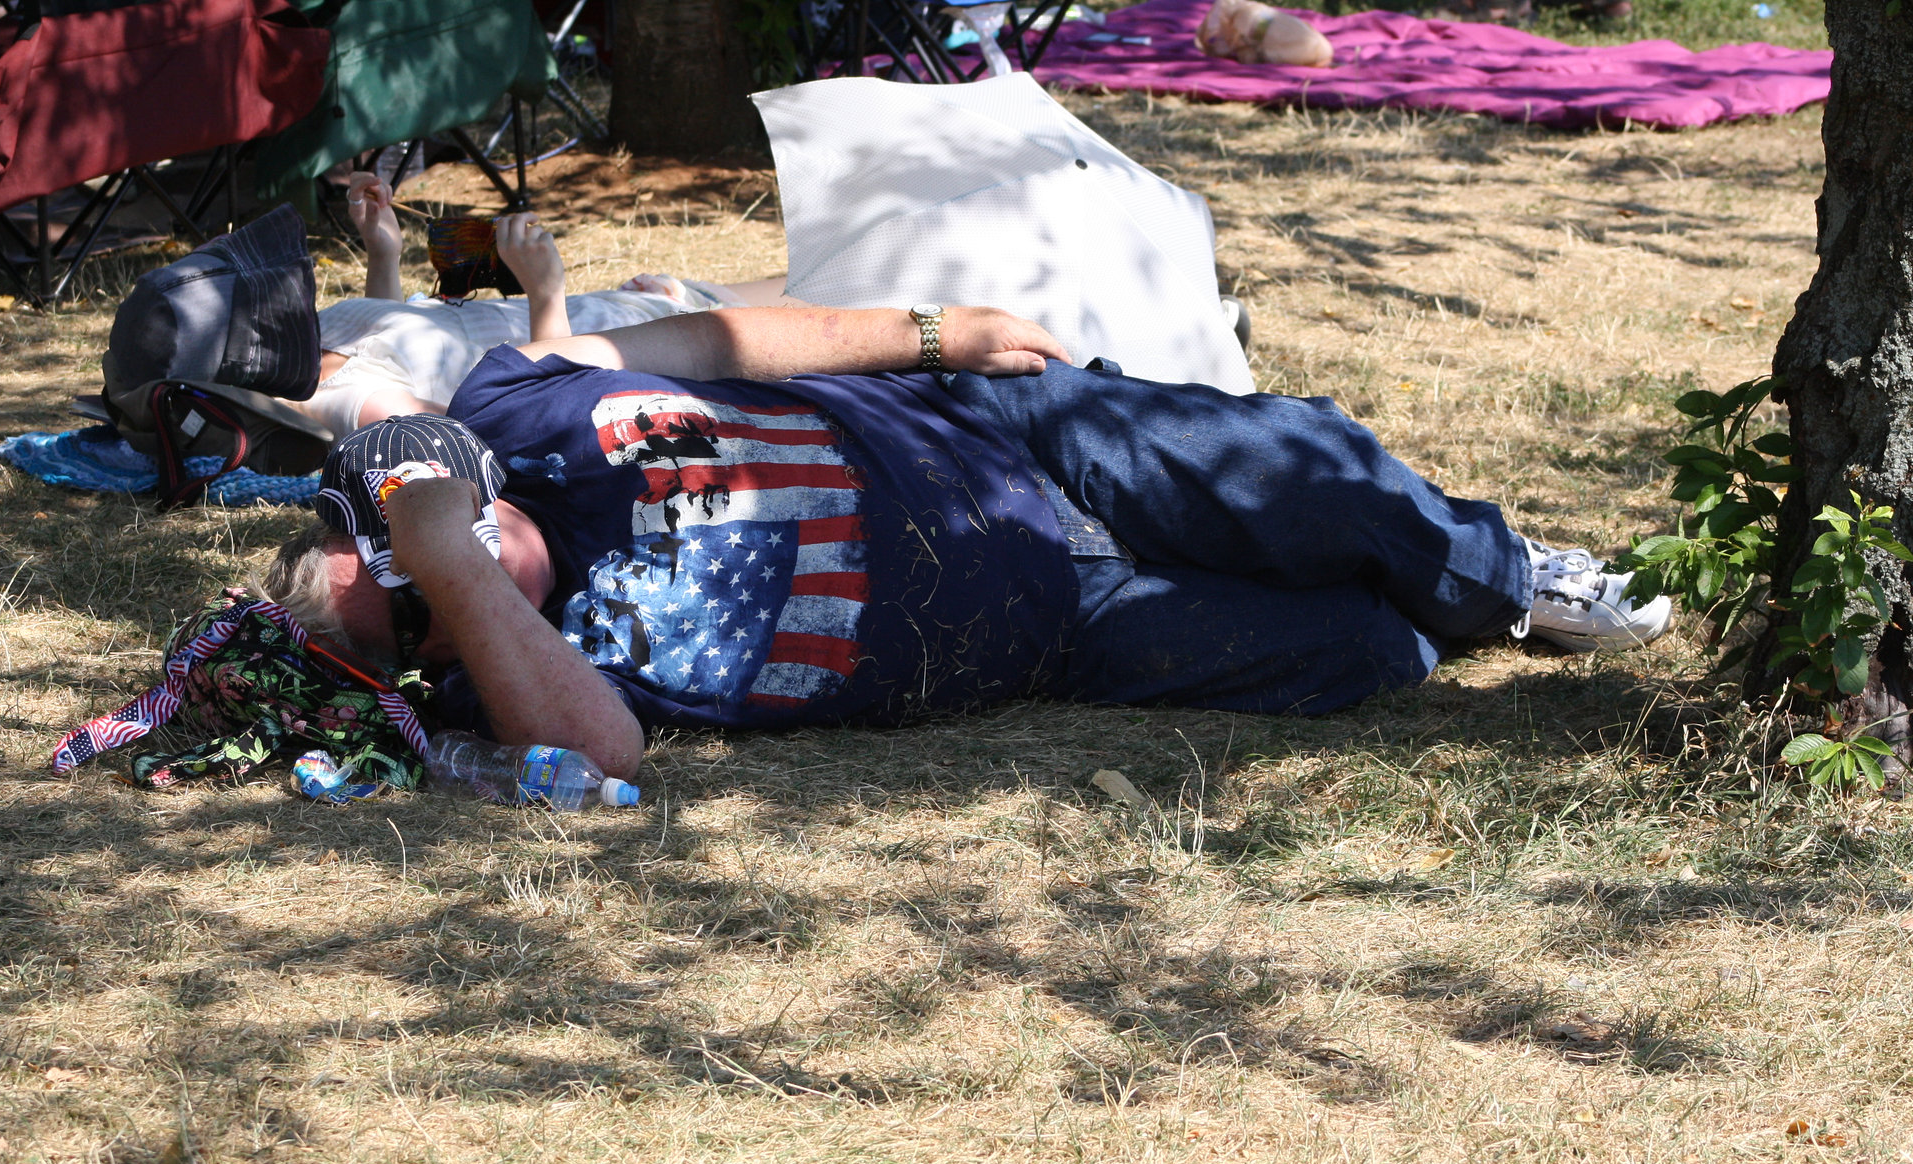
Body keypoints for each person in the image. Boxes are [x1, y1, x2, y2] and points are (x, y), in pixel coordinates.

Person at [259, 304, 1672, 782]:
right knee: (1367, 654)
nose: (420, 565)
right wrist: (445, 568)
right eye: (410, 604)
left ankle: (1514, 577)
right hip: (1060, 625)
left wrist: (943, 330)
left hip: (1012, 438)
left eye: (386, 535)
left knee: (1313, 474)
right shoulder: (521, 688)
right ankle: (1439, 603)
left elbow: (734, 335)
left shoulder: (520, 401)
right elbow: (611, 762)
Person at [296, 172, 791, 437]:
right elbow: (523, 421)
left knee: (835, 280)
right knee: (849, 316)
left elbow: (394, 341)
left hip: (633, 310)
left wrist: (384, 253)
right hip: (666, 351)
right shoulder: (355, 402)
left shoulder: (319, 333)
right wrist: (545, 293)